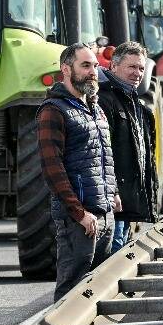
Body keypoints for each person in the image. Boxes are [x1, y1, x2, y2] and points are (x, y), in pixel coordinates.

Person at [36, 42, 118, 299]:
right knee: (70, 292)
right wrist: (79, 213)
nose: (93, 71)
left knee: (97, 290)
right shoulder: (54, 111)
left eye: (94, 65)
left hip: (104, 213)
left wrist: (112, 193)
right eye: (85, 65)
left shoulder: (95, 108)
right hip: (79, 219)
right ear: (66, 69)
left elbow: (104, 156)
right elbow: (52, 168)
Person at [97, 41, 161, 254]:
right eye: (132, 67)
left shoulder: (136, 104)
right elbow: (102, 154)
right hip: (113, 200)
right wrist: (112, 192)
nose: (138, 73)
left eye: (141, 68)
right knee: (113, 253)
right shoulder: (105, 101)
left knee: (121, 249)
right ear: (114, 67)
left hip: (127, 200)